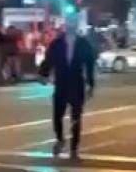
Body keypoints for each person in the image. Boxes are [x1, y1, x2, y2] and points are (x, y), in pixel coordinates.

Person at [40, 18, 96, 159]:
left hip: (77, 84)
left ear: (75, 27)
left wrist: (91, 83)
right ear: (66, 27)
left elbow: (89, 64)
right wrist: (43, 73)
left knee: (76, 117)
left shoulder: (83, 43)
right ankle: (60, 139)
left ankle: (74, 146)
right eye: (68, 25)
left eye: (73, 25)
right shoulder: (57, 43)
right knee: (57, 114)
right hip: (61, 83)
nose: (70, 28)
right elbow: (49, 59)